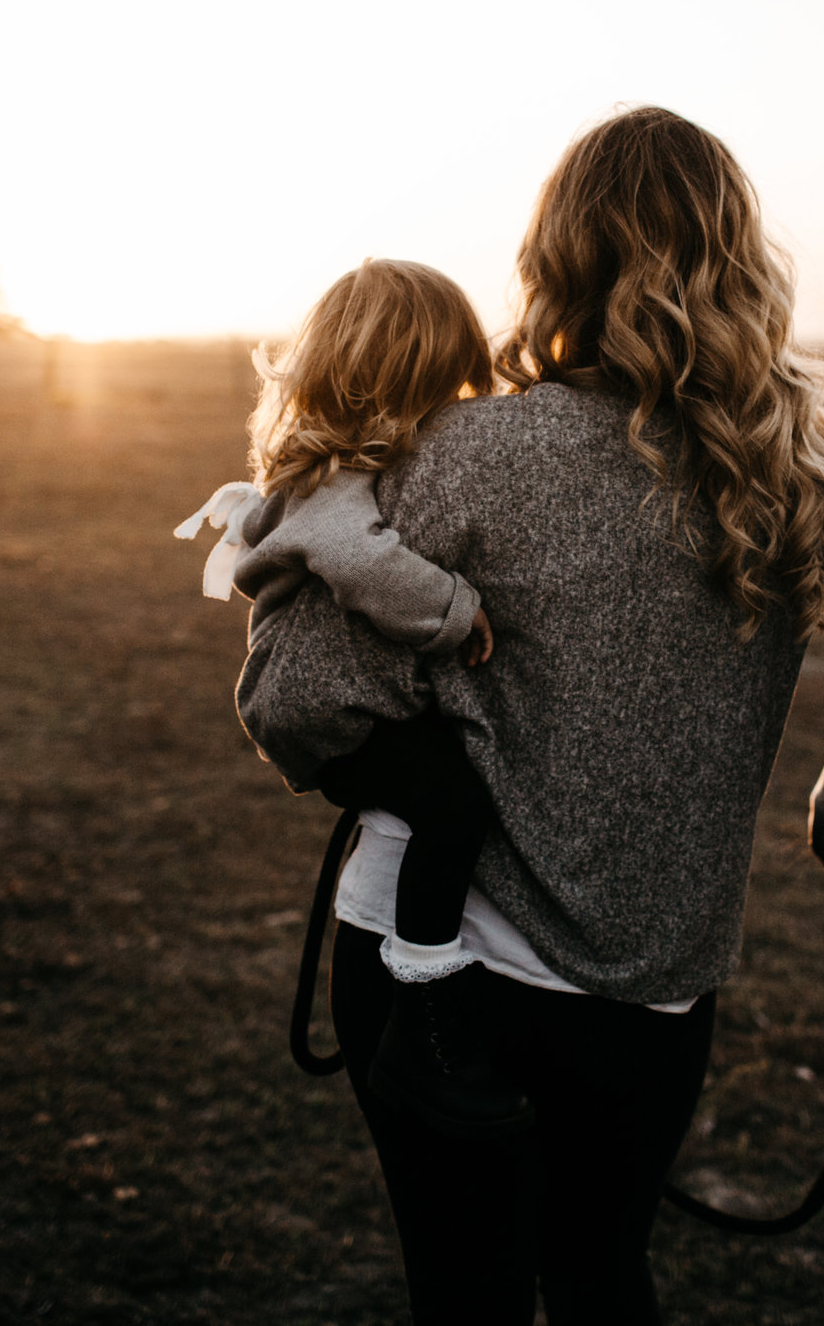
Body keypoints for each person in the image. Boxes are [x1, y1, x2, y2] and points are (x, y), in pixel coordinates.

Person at [236, 107, 824, 1325]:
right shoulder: (791, 479)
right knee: (599, 1276)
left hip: (450, 976)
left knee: (467, 1300)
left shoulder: (480, 450)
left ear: (555, 257)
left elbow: (296, 704)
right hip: (657, 988)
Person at [177, 257, 528, 1136]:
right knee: (454, 804)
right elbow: (366, 564)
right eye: (448, 383)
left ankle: (422, 990)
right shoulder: (333, 485)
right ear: (409, 375)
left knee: (439, 795)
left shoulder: (325, 466)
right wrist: (457, 611)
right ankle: (426, 998)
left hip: (316, 702)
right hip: (316, 706)